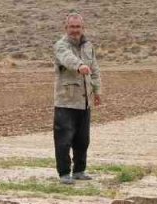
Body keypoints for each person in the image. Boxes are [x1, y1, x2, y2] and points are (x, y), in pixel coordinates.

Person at [53, 12, 102, 185]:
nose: (75, 30)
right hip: (66, 101)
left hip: (84, 101)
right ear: (66, 28)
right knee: (64, 140)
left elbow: (94, 69)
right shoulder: (61, 45)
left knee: (82, 140)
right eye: (72, 27)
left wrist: (97, 91)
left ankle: (79, 170)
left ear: (83, 28)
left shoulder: (88, 46)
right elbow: (67, 58)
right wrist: (79, 65)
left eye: (78, 27)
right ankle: (64, 173)